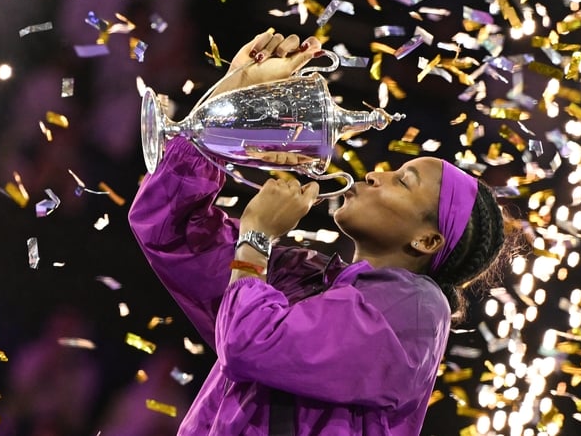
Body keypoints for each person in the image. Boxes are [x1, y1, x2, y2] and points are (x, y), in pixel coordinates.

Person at [128, 29, 507, 435]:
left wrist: (256, 238)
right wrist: (235, 91)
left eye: (402, 181)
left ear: (427, 240)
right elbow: (169, 228)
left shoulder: (417, 312)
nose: (376, 175)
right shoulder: (308, 278)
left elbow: (248, 343)